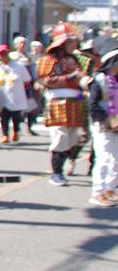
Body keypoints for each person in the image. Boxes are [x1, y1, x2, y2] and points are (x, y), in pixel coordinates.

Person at [37, 23, 86, 186]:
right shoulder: (49, 59)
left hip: (75, 102)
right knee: (61, 138)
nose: (75, 44)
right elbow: (46, 80)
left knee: (72, 138)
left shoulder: (74, 59)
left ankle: (61, 168)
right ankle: (56, 173)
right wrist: (71, 78)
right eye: (71, 41)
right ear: (62, 42)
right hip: (58, 102)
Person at [85, 35, 118, 207]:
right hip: (102, 125)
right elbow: (93, 105)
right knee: (104, 158)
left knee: (116, 160)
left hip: (116, 125)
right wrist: (107, 120)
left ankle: (110, 189)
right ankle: (97, 192)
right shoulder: (98, 80)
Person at [0, 43, 31, 144]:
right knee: (4, 117)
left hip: (16, 96)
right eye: (1, 54)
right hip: (2, 97)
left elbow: (27, 79)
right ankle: (5, 135)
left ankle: (16, 131)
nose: (4, 56)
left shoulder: (18, 66)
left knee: (16, 116)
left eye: (5, 53)